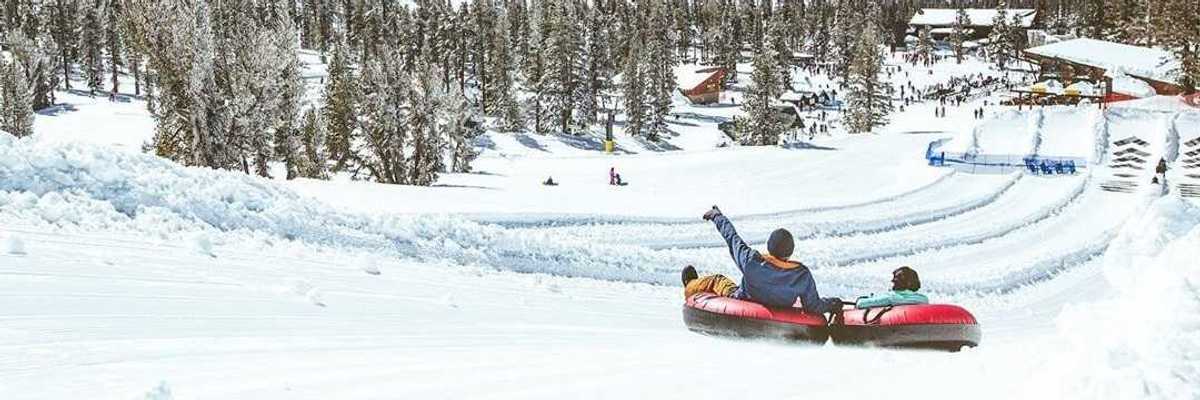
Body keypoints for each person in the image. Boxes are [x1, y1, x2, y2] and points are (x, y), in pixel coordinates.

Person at [682, 206, 841, 315]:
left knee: (717, 280)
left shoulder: (752, 261)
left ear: (769, 248)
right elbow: (813, 306)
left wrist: (717, 216)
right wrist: (832, 304)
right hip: (781, 306)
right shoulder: (801, 275)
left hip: (744, 299)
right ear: (790, 252)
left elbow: (732, 238)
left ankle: (690, 285)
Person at [853, 266, 929, 309]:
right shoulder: (923, 299)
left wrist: (860, 299)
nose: (892, 280)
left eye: (896, 278)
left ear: (908, 282)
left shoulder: (891, 298)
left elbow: (860, 304)